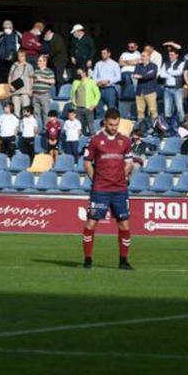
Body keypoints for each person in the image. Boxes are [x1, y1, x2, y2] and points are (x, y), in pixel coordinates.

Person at [80, 108, 136, 270]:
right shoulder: (95, 140)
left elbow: (129, 162)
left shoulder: (125, 141)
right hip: (101, 189)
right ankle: (88, 259)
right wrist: (95, 179)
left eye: (116, 125)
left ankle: (123, 261)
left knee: (124, 225)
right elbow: (87, 162)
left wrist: (122, 176)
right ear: (105, 122)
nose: (114, 127)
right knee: (91, 223)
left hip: (119, 190)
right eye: (111, 124)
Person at [133, 50, 159, 131]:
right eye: (142, 56)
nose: (142, 58)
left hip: (150, 91)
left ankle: (155, 128)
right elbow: (134, 75)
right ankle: (141, 128)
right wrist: (144, 76)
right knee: (140, 111)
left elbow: (151, 75)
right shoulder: (138, 66)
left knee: (153, 110)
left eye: (144, 56)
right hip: (140, 91)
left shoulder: (153, 66)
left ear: (148, 57)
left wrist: (141, 76)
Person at [70, 67, 99, 134]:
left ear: (84, 73)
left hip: (88, 107)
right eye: (78, 73)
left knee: (91, 127)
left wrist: (93, 105)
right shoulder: (75, 82)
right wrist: (74, 105)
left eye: (80, 73)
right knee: (79, 128)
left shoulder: (91, 81)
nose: (79, 74)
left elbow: (97, 94)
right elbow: (72, 95)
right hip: (78, 108)